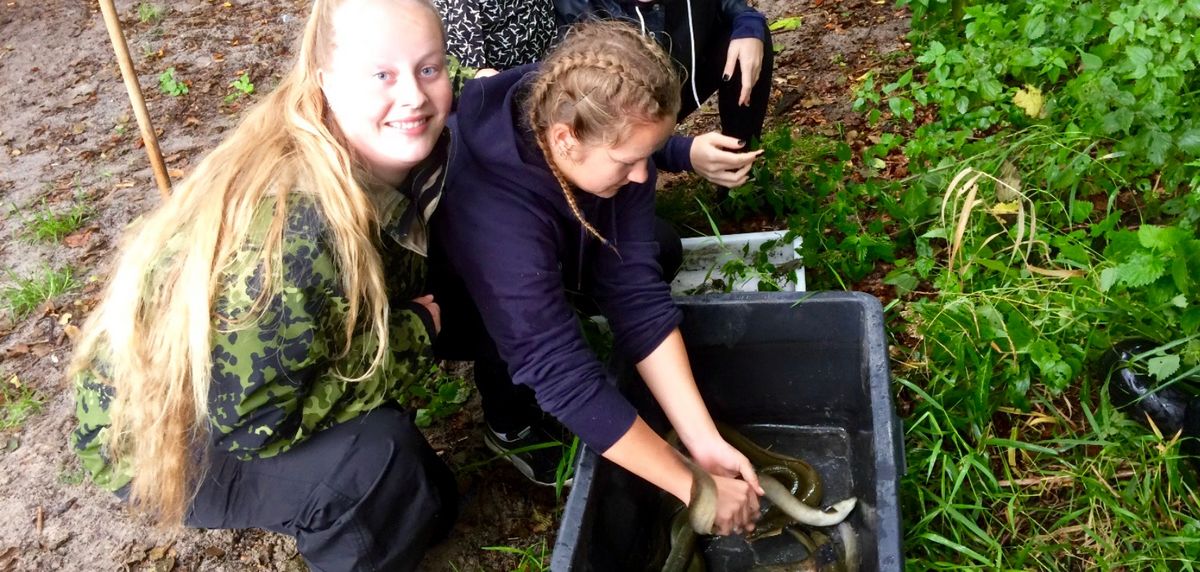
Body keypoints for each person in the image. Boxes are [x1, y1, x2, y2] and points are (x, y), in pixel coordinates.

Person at [69, 0, 457, 569]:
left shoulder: (366, 148)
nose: (415, 97)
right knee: (371, 461)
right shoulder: (300, 232)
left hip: (245, 378)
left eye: (429, 68)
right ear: (325, 80)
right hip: (171, 436)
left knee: (422, 493)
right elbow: (255, 423)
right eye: (381, 75)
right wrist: (410, 334)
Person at [431, 20, 763, 536]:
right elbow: (557, 369)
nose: (642, 175)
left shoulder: (594, 113)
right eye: (629, 161)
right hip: (446, 296)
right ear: (564, 140)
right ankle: (508, 424)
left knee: (660, 246)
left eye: (647, 157)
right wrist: (694, 489)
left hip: (548, 239)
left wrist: (701, 440)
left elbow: (636, 292)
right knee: (514, 339)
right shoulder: (495, 210)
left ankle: (565, 296)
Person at [555, 0, 774, 145]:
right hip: (616, 114)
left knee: (745, 39)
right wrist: (682, 152)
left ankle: (739, 175)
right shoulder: (575, 8)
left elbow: (729, 5)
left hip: (678, 79)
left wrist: (748, 21)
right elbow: (587, 118)